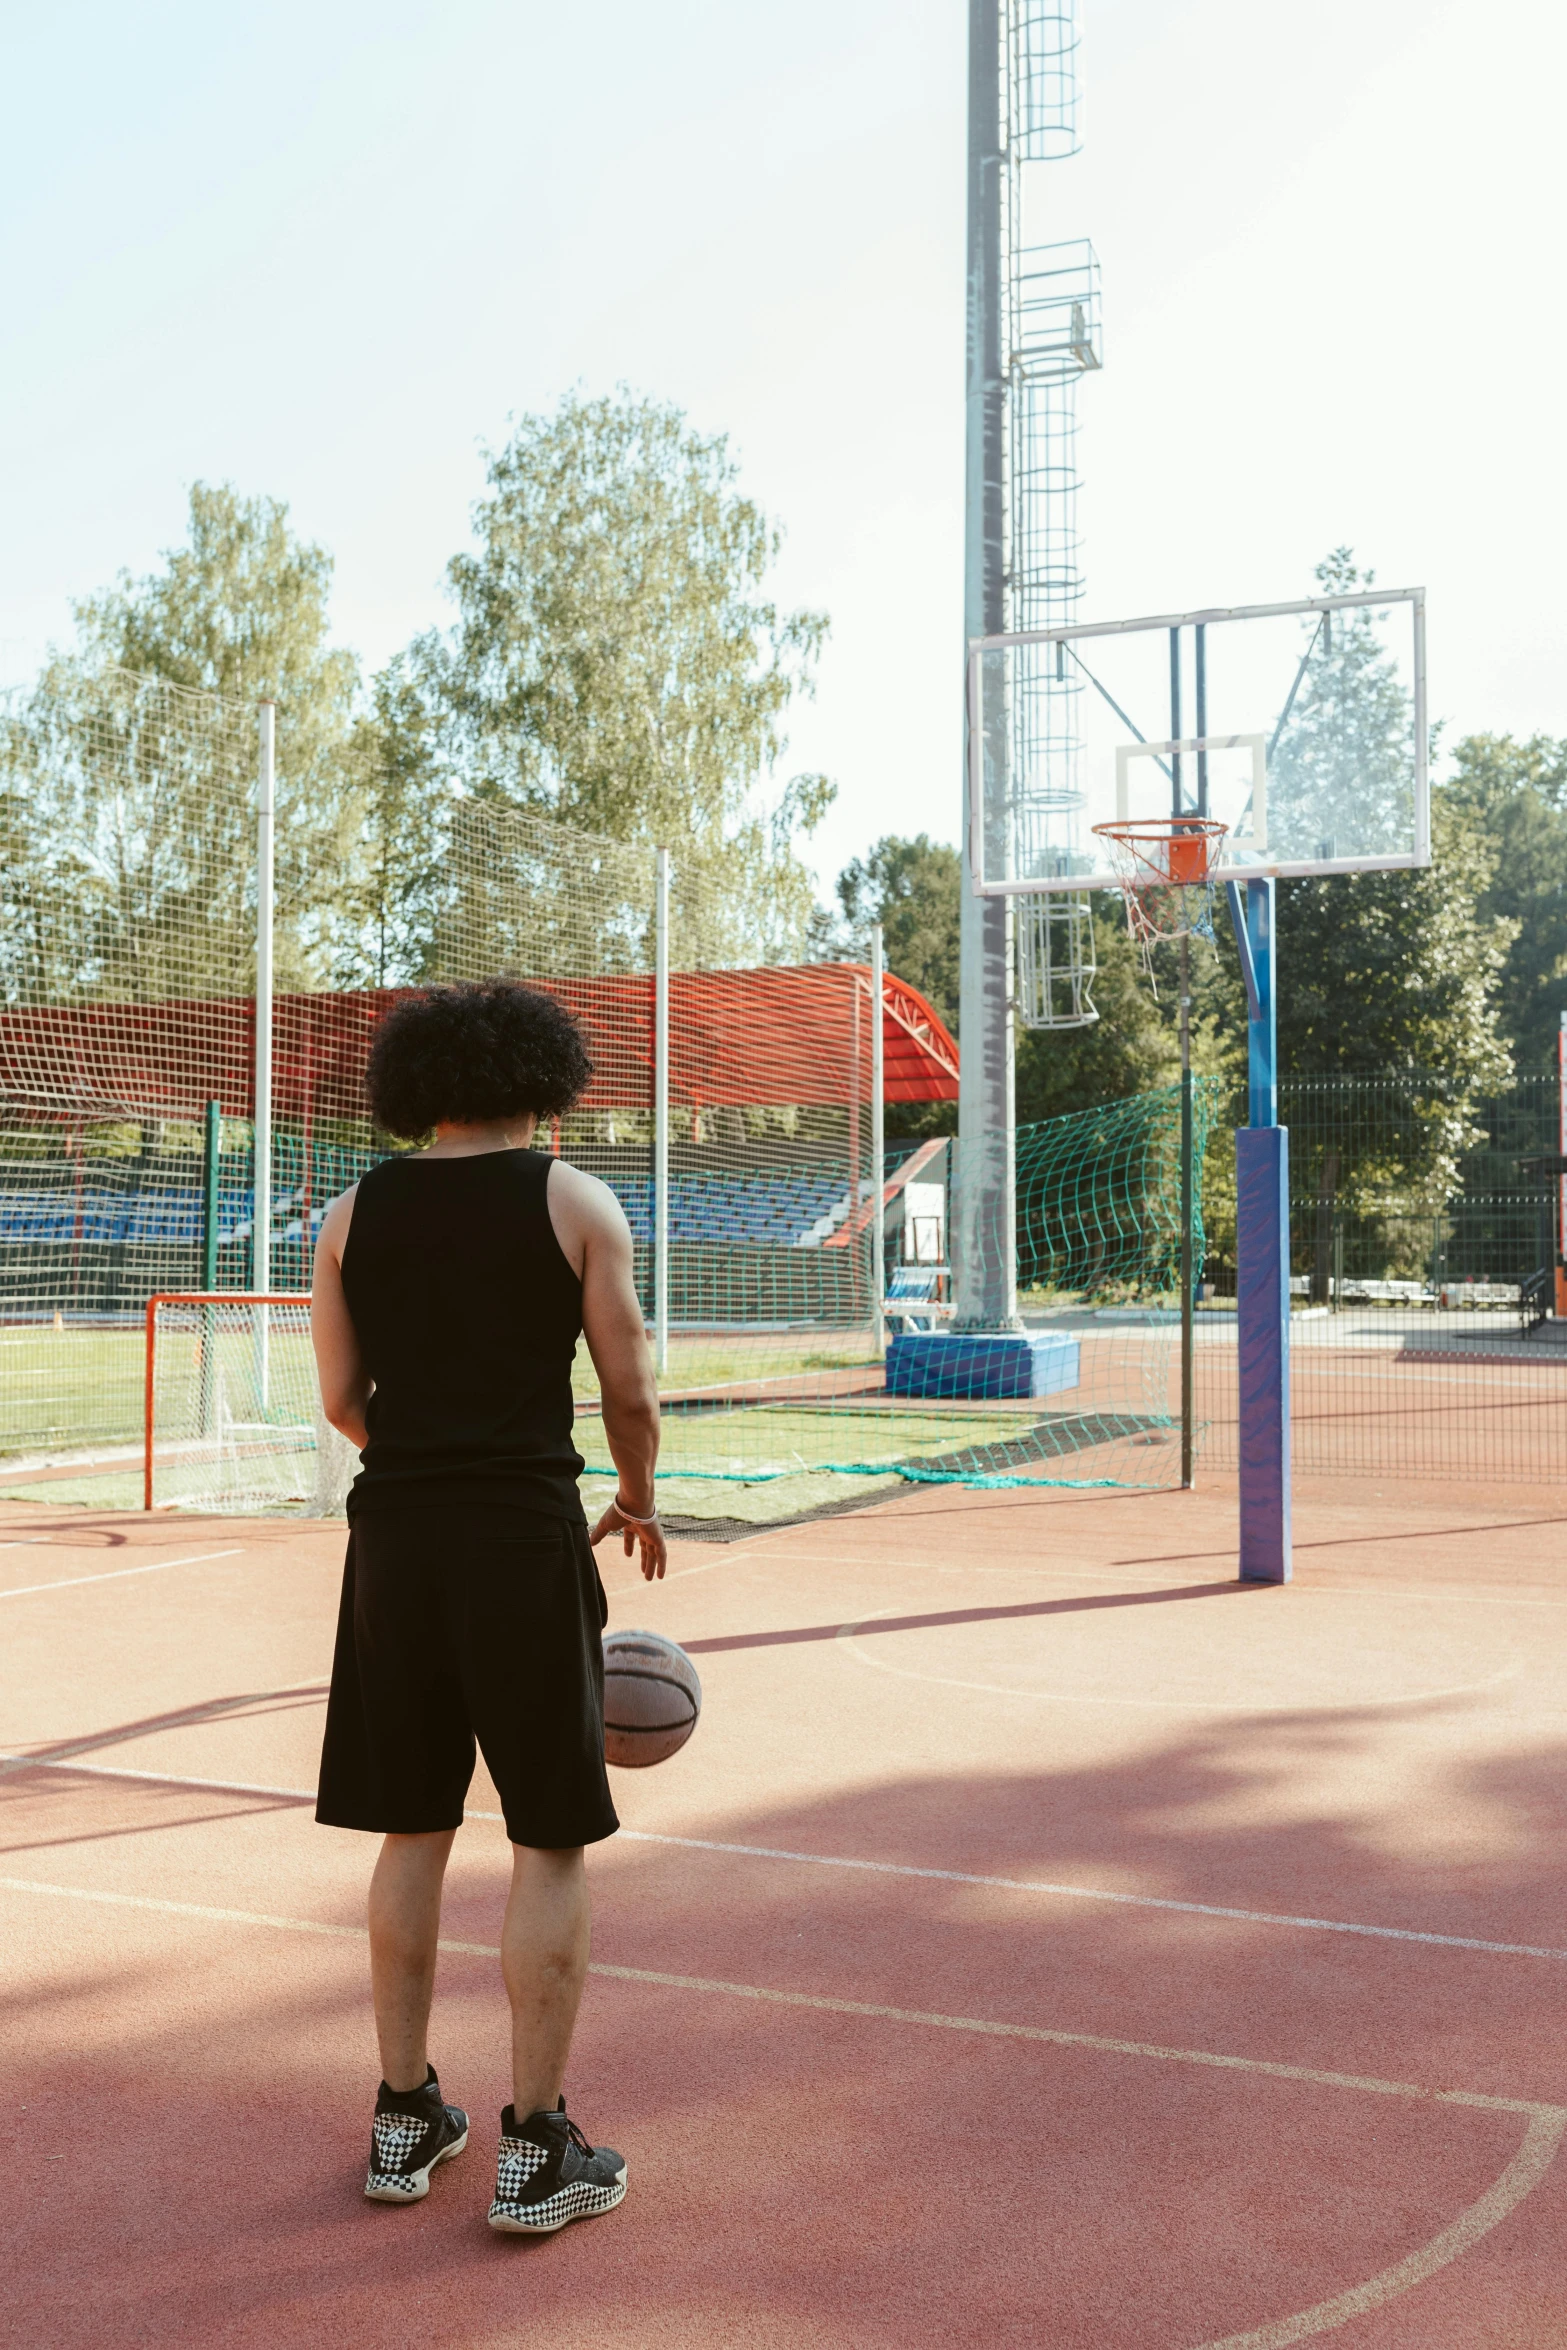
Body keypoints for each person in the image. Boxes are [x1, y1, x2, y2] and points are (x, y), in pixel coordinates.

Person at [310, 978, 665, 2235]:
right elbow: (629, 1387)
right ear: (539, 1077)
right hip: (521, 1537)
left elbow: (344, 1401)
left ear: (420, 1091)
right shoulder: (572, 1197)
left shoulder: (352, 1211)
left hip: (394, 1541)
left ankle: (403, 2115)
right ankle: (535, 2146)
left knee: (411, 1830)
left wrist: (421, 1453)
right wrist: (636, 1492)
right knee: (547, 1836)